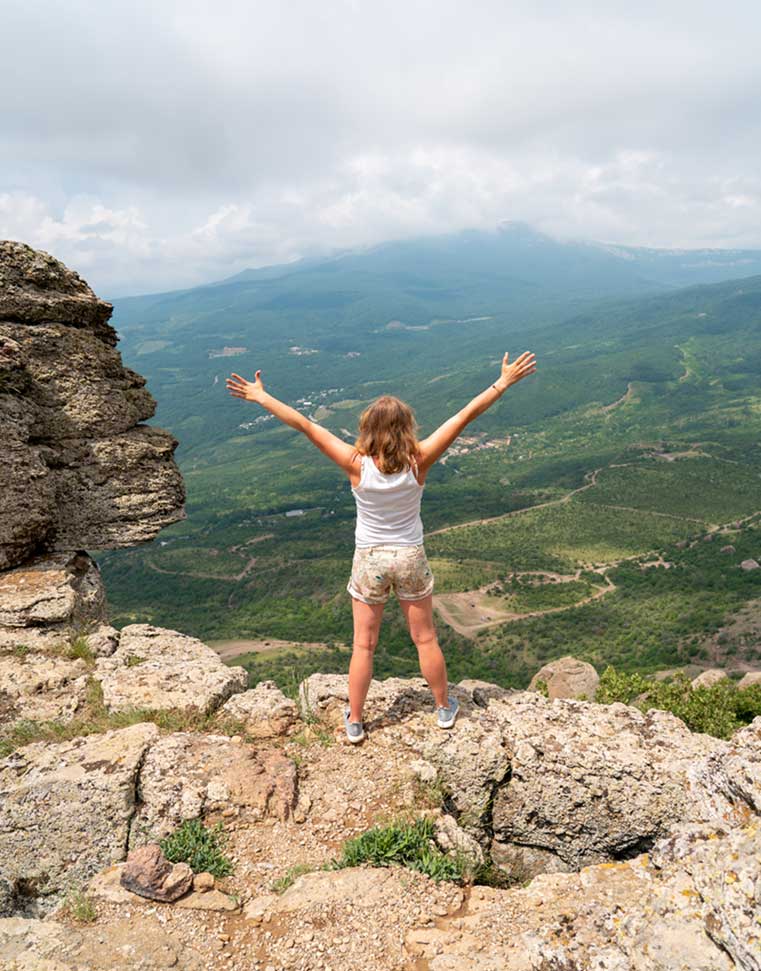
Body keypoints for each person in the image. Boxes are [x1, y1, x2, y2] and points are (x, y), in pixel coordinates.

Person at [225, 350, 537, 743]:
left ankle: (355, 721)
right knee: (425, 639)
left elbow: (305, 425)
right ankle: (443, 708)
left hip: (369, 558)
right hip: (409, 555)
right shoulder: (418, 461)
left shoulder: (356, 464)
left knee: (363, 645)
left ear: (367, 428)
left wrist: (262, 397)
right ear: (407, 428)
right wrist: (503, 383)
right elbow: (464, 416)